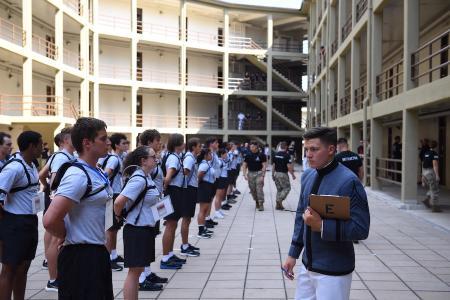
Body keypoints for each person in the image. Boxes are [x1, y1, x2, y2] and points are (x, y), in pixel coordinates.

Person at [282, 127, 370, 300]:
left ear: (331, 150)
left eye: (314, 149)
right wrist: (293, 254)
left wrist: (321, 225)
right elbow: (302, 217)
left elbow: (361, 229)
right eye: (306, 149)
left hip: (334, 271)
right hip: (307, 267)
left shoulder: (349, 182)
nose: (308, 154)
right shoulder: (307, 176)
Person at [43, 117, 114, 299]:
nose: (108, 142)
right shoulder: (78, 175)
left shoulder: (95, 170)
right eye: (103, 138)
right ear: (87, 143)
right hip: (81, 258)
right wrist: (65, 235)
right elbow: (50, 220)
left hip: (96, 252)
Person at [113, 146, 163, 296]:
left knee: (138, 270)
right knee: (134, 273)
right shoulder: (139, 179)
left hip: (144, 228)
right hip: (137, 229)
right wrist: (118, 216)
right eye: (153, 157)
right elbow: (118, 202)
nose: (156, 159)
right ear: (143, 160)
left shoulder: (145, 176)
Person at [0, 131, 43, 300]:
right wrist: (7, 222)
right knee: (9, 268)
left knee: (24, 267)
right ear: (32, 146)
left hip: (29, 221)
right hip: (15, 223)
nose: (42, 147)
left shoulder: (31, 165)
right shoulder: (14, 167)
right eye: (40, 144)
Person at [38, 127, 75, 292]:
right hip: (58, 200)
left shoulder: (59, 155)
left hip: (53, 199)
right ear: (65, 140)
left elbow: (41, 175)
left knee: (51, 237)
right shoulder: (61, 157)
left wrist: (46, 189)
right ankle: (54, 280)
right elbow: (55, 182)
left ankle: (52, 268)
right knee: (55, 240)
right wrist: (53, 191)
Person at [137, 129, 168, 289]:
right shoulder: (143, 160)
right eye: (157, 141)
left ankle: (147, 272)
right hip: (146, 207)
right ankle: (142, 277)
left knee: (150, 239)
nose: (160, 143)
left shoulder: (154, 159)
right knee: (145, 241)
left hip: (155, 204)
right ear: (149, 142)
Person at [100, 133, 129, 272]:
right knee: (110, 229)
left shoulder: (119, 157)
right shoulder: (113, 159)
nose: (126, 145)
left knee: (115, 228)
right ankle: (107, 259)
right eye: (124, 143)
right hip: (112, 195)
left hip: (116, 194)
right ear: (116, 145)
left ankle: (113, 254)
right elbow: (106, 174)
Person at [161, 133, 187, 270]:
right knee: (170, 225)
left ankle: (170, 254)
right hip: (173, 193)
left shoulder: (174, 156)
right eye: (183, 142)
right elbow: (168, 177)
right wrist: (165, 192)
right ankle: (165, 258)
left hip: (174, 192)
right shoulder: (173, 158)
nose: (184, 144)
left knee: (173, 224)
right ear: (178, 143)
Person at [181, 138, 202, 255]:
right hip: (188, 190)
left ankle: (186, 243)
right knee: (186, 218)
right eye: (199, 146)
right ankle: (184, 246)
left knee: (188, 218)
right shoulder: (189, 158)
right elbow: (185, 174)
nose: (201, 148)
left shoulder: (192, 158)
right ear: (193, 147)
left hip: (191, 189)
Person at [242, 141, 267, 211]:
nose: (250, 148)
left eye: (252, 146)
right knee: (253, 190)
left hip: (259, 173)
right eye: (250, 146)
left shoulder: (262, 155)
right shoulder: (247, 155)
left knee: (259, 189)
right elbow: (244, 165)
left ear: (256, 147)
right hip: (250, 173)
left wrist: (263, 175)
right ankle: (256, 201)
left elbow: (264, 165)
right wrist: (244, 174)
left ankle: (261, 203)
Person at [196, 148, 215, 238]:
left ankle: (203, 228)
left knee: (205, 209)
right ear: (205, 155)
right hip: (204, 186)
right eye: (209, 154)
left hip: (208, 186)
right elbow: (199, 175)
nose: (211, 155)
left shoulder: (207, 164)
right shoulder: (204, 165)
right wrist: (200, 184)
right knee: (203, 210)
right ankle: (200, 231)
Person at [272, 141, 296, 210]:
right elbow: (288, 166)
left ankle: (278, 205)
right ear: (286, 147)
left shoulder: (276, 155)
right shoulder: (287, 155)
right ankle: (279, 200)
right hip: (283, 174)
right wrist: (293, 175)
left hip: (276, 174)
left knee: (279, 189)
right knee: (287, 188)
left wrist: (272, 174)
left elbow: (273, 165)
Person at [421, 140, 441, 213]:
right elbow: (435, 165)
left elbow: (423, 164)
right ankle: (435, 208)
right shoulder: (434, 153)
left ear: (429, 145)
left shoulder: (426, 153)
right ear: (436, 146)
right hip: (431, 172)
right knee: (434, 190)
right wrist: (437, 175)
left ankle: (427, 201)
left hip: (425, 172)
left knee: (431, 187)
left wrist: (422, 177)